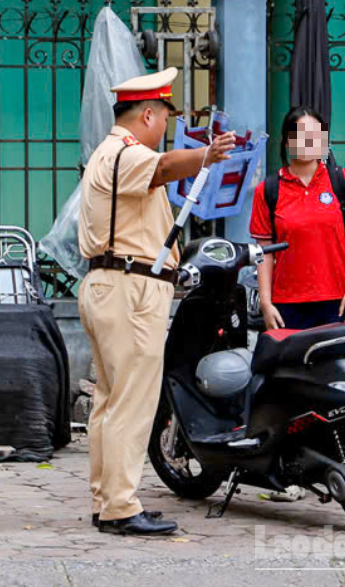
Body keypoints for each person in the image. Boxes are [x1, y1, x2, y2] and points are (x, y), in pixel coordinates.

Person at [78, 67, 235, 536]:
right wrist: (207, 155)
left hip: (114, 287)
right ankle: (121, 507)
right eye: (165, 114)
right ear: (148, 113)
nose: (167, 123)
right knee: (132, 402)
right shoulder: (125, 153)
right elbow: (165, 168)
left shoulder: (110, 155)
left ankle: (108, 501)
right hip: (129, 291)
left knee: (111, 401)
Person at [249, 105, 345, 331]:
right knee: (290, 367)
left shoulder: (342, 181)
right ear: (286, 141)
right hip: (287, 306)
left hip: (338, 302)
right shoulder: (268, 190)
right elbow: (263, 252)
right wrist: (266, 302)